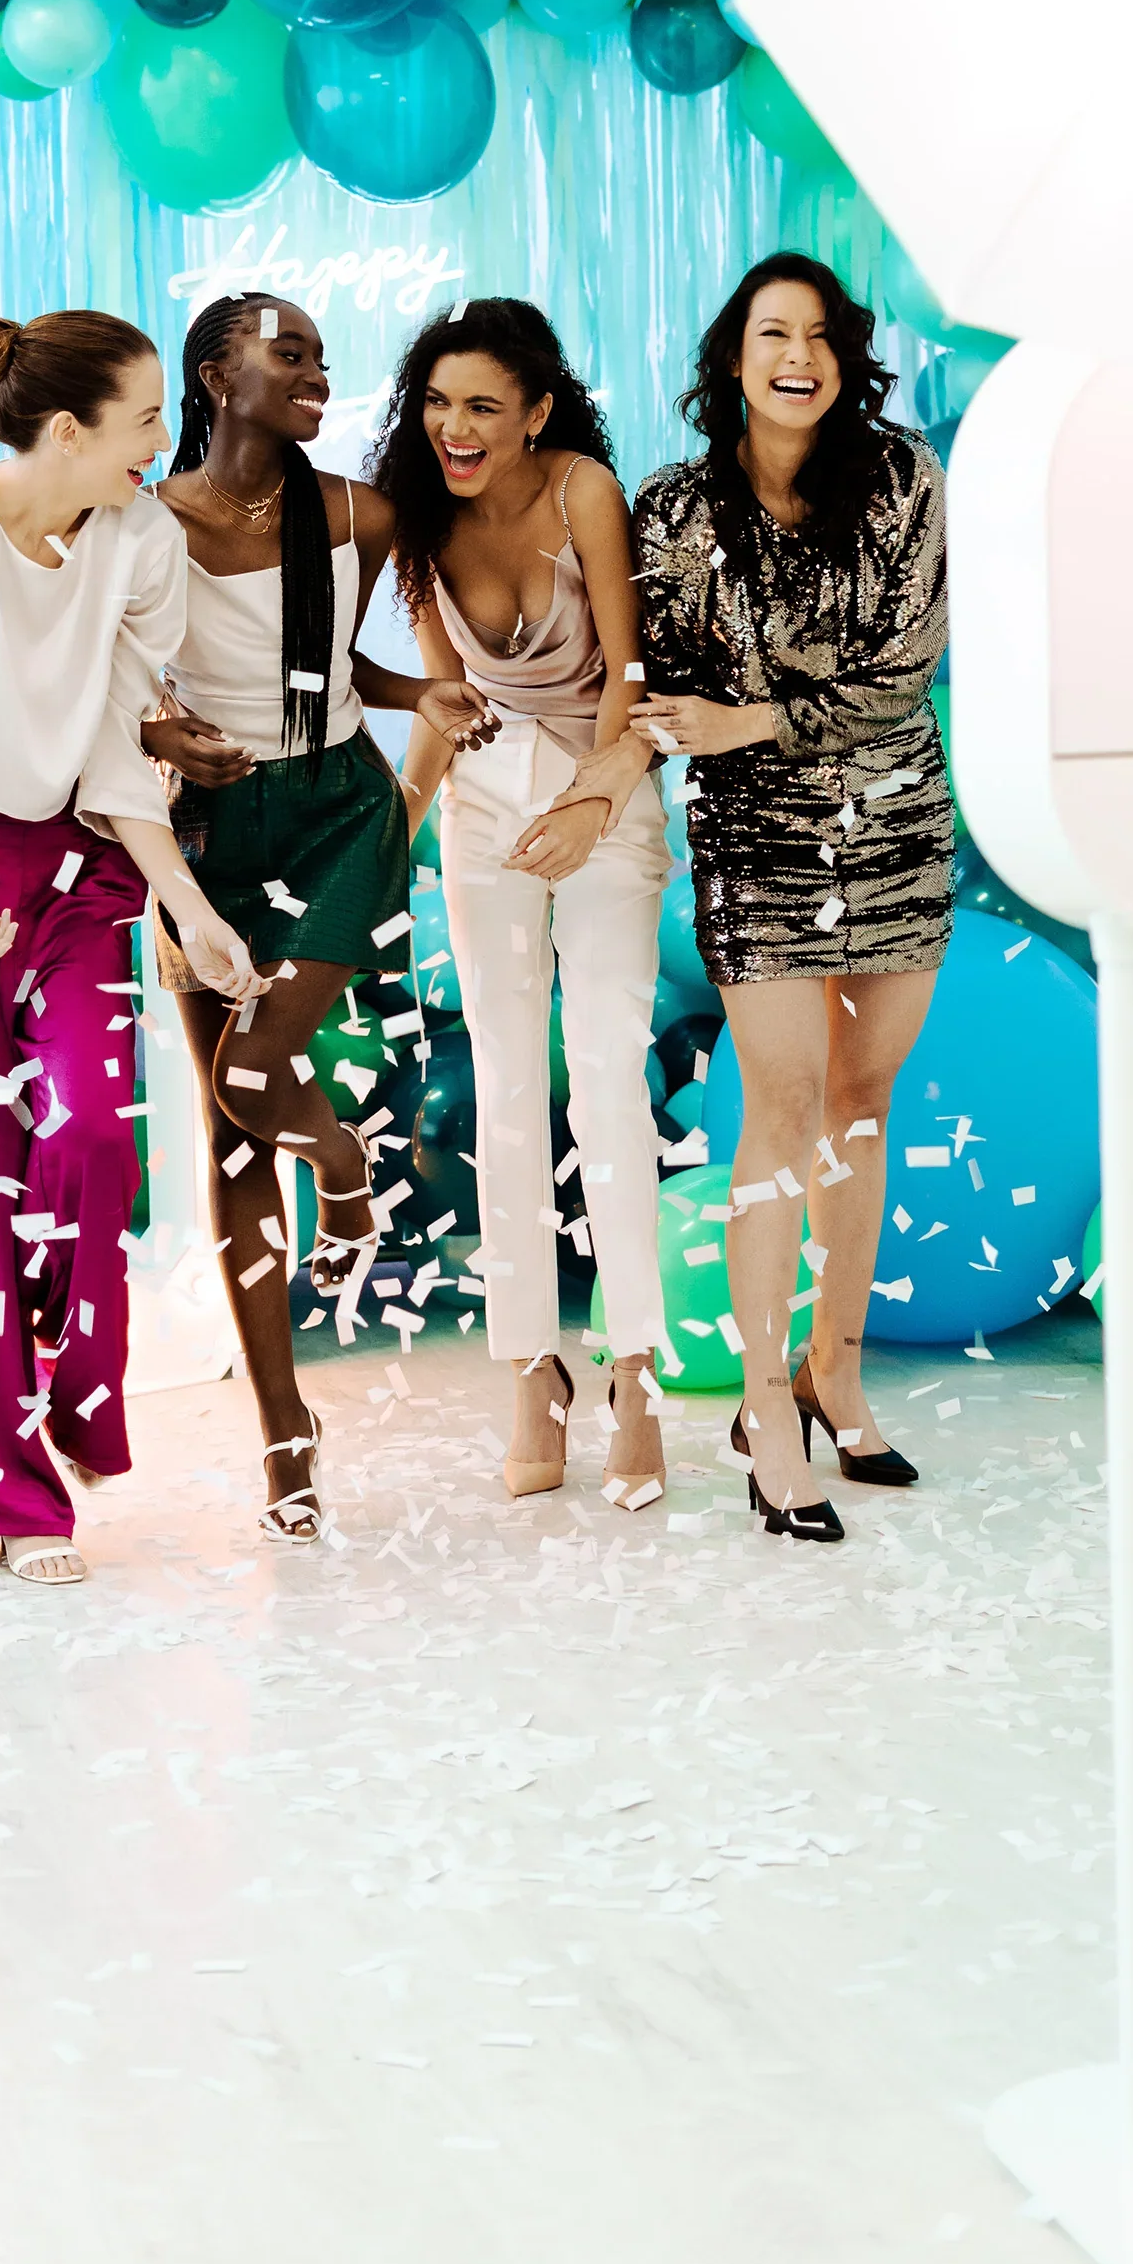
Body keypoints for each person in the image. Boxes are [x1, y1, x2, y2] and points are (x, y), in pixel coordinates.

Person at [0, 311, 262, 1589]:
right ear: (68, 431)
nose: (160, 444)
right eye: (143, 421)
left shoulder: (138, 540)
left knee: (86, 1134)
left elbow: (115, 743)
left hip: (80, 861)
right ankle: (4, 1498)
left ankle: (68, 1399)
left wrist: (183, 901)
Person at [143, 295, 495, 1541]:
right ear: (212, 375)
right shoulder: (144, 526)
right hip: (206, 834)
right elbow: (118, 690)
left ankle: (341, 1161)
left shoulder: (357, 511)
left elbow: (336, 670)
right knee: (233, 1136)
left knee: (255, 1072)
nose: (313, 372)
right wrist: (156, 732)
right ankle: (283, 1430)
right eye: (286, 353)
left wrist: (427, 690)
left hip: (342, 813)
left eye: (319, 359)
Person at [630, 254, 951, 1541]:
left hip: (896, 827)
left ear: (844, 354)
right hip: (756, 843)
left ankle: (837, 1368)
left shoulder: (902, 479)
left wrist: (744, 715)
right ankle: (765, 1406)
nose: (796, 356)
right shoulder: (667, 512)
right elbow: (654, 693)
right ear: (731, 354)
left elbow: (904, 669)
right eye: (772, 332)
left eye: (819, 334)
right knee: (783, 1101)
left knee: (864, 1098)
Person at [373, 299, 672, 1510]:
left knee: (603, 1078)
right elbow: (446, 699)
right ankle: (528, 1373)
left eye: (482, 406)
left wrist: (596, 803)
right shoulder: (415, 514)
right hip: (485, 807)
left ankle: (635, 1378)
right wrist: (390, 831)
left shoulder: (582, 491)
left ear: (537, 411)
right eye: (438, 403)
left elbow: (630, 672)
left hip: (601, 794)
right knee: (504, 1084)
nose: (454, 426)